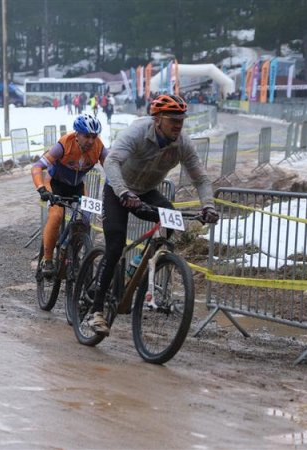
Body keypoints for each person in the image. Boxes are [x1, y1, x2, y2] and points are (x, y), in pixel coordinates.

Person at [89, 93, 219, 336]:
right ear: (157, 119)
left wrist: (209, 206)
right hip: (118, 190)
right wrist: (123, 192)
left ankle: (138, 265)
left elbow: (200, 178)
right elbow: (111, 162)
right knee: (115, 247)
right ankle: (96, 310)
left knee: (171, 216)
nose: (178, 124)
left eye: (181, 119)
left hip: (147, 191)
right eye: (173, 119)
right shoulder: (137, 132)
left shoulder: (183, 143)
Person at [31, 114, 108, 277]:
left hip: (77, 187)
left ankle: (71, 251)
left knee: (85, 220)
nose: (91, 141)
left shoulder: (99, 147)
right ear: (77, 134)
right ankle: (48, 259)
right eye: (86, 136)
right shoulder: (64, 145)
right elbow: (37, 167)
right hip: (55, 184)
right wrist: (41, 189)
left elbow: (112, 169)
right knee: (57, 216)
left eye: (94, 136)